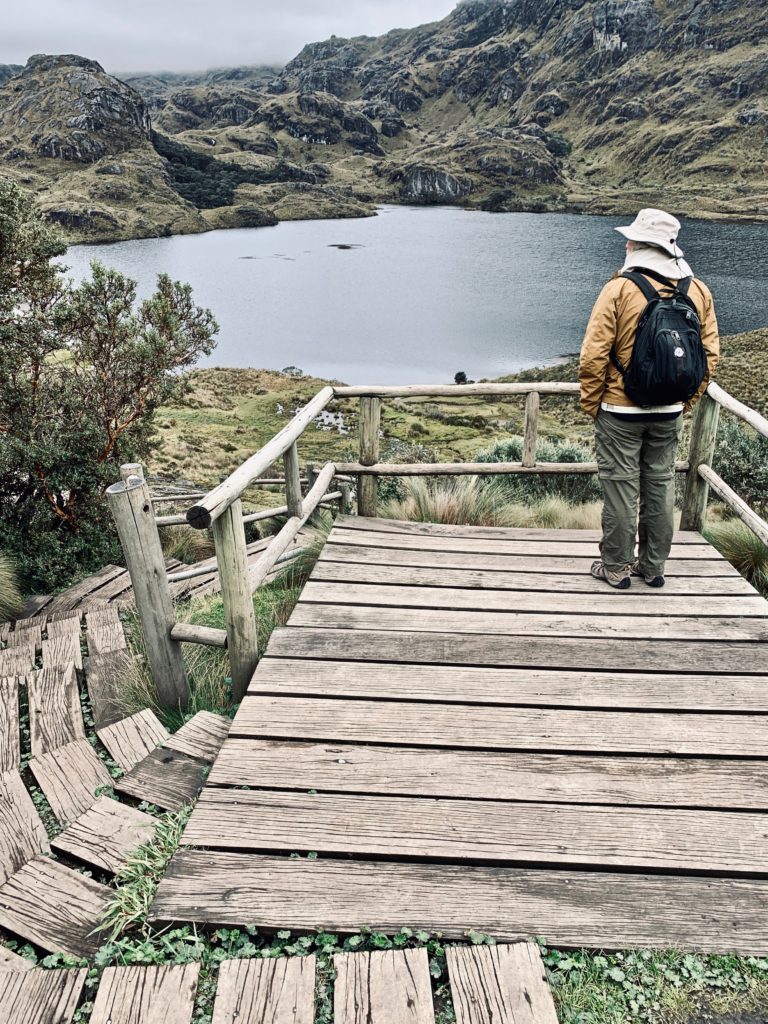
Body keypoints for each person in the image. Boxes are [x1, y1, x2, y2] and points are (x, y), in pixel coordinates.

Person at [579, 208, 720, 589]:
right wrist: (685, 402)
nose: (625, 243)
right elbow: (710, 355)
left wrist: (593, 404)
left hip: (620, 411)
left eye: (631, 238)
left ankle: (617, 568)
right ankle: (653, 567)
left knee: (621, 488)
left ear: (639, 245)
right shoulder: (698, 290)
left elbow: (593, 355)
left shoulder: (620, 289)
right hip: (670, 411)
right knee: (660, 486)